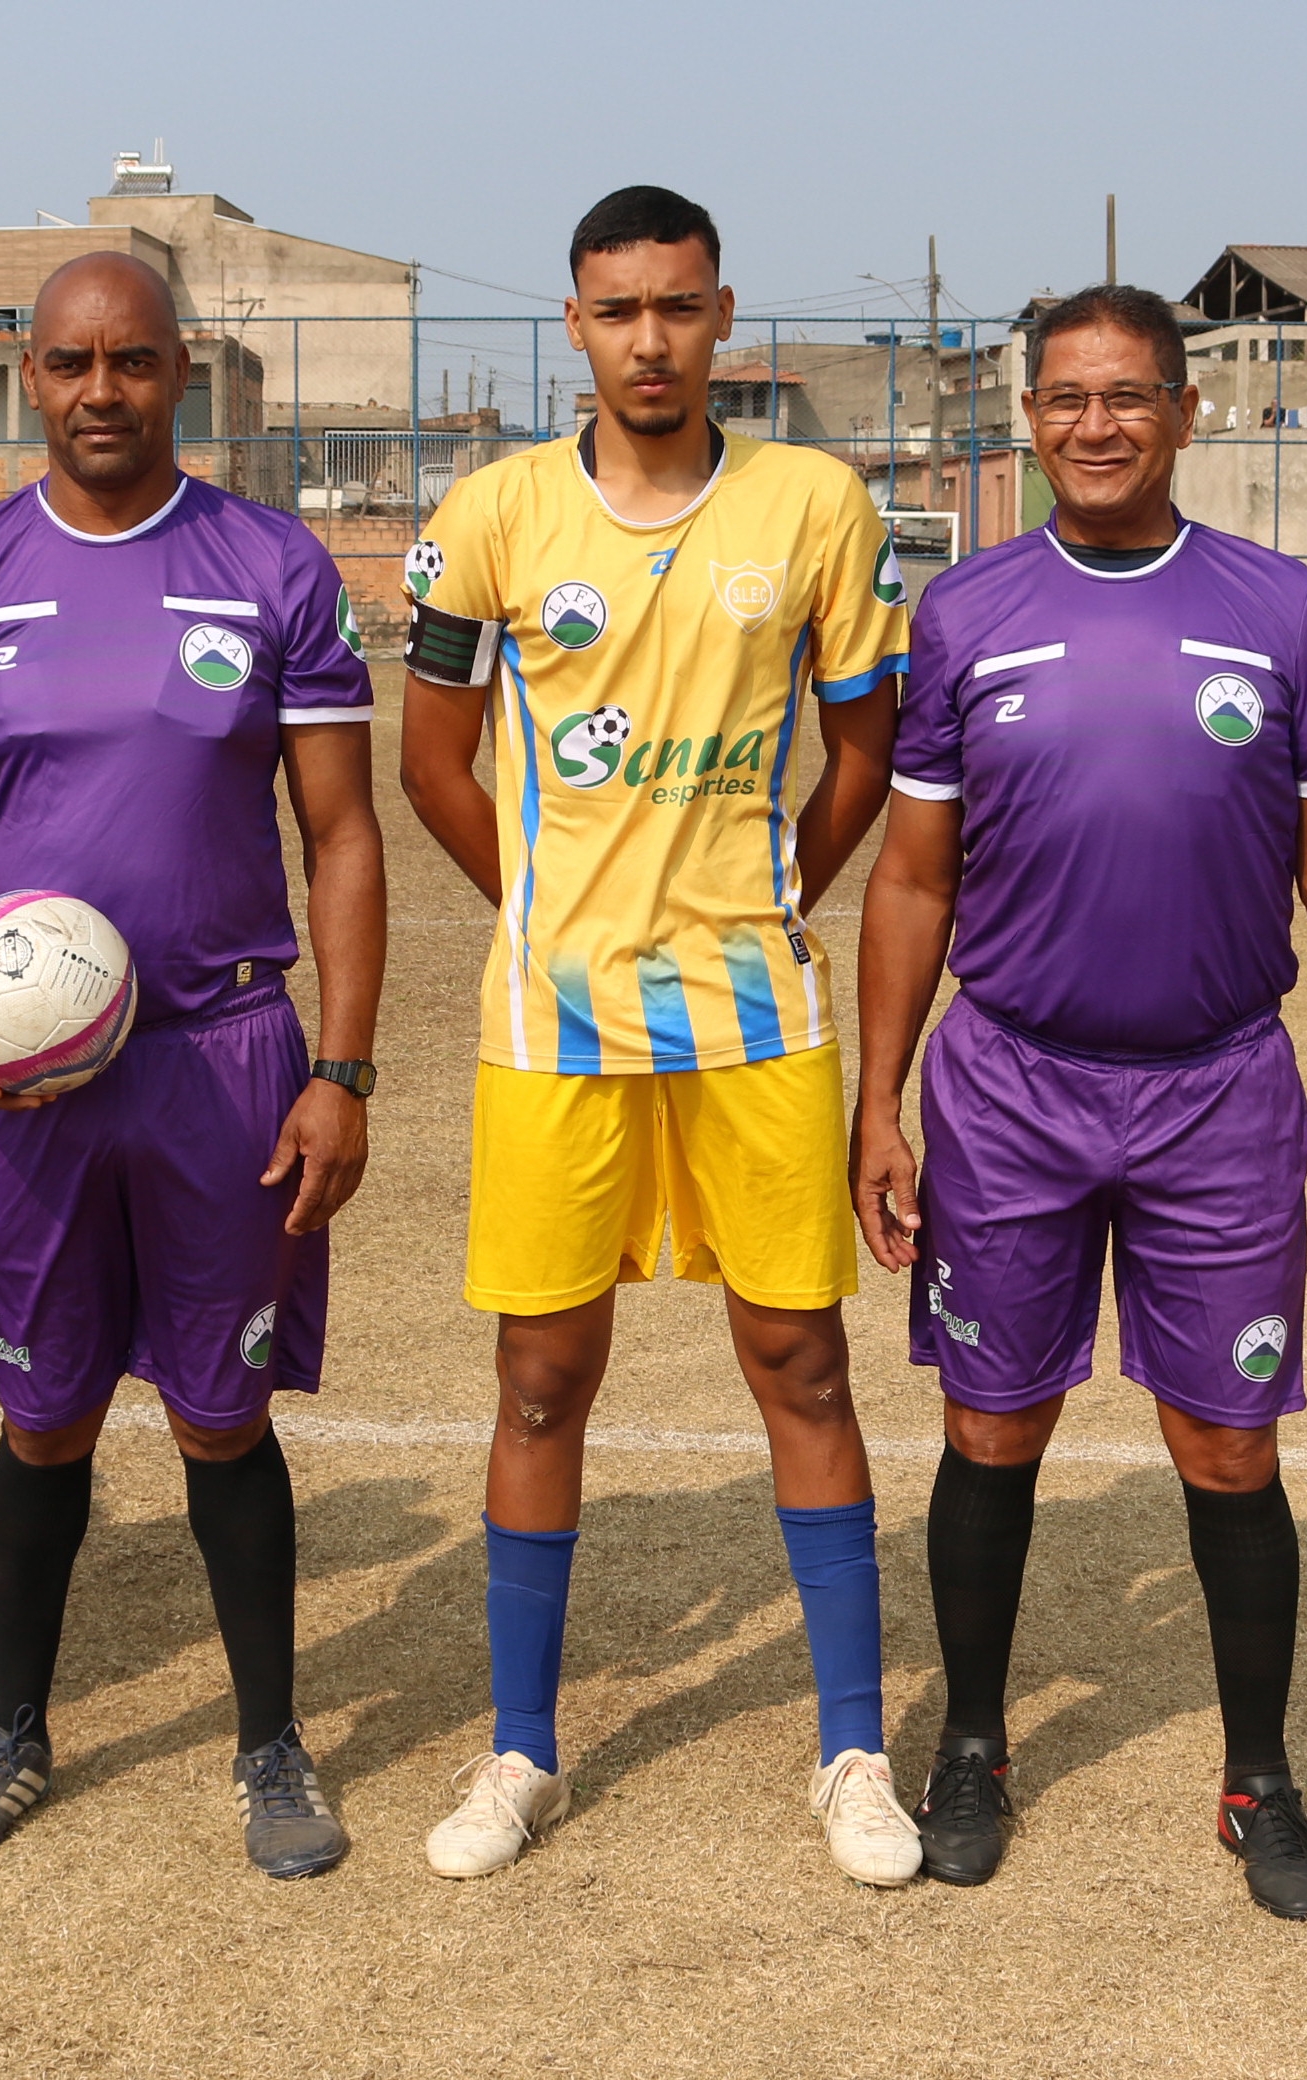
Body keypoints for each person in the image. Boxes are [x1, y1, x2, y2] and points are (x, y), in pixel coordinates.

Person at [853, 283, 1307, 1921]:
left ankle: (1261, 1781)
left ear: (1184, 412)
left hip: (1218, 1091)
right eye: (1065, 398)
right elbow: (912, 879)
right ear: (1028, 418)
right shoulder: (965, 612)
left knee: (1228, 1442)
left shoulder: (1273, 604)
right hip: (1010, 1087)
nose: (1094, 425)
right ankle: (975, 1748)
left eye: (1126, 397)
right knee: (991, 1425)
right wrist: (879, 1101)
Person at [397, 187, 920, 1885]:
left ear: (721, 318)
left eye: (678, 308)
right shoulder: (492, 514)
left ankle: (854, 1752)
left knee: (803, 1362)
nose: (649, 339)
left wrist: (774, 893)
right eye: (618, 310)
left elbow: (865, 750)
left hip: (757, 1013)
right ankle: (521, 1752)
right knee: (543, 1380)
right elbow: (431, 762)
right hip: (553, 1026)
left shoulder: (816, 504)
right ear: (575, 324)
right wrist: (540, 912)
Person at [0, 252, 387, 1880]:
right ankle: (13, 1732)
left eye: (136, 360)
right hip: (23, 1088)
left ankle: (270, 1744)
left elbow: (343, 834)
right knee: (44, 1417)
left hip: (223, 1059)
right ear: (31, 375)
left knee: (223, 1419)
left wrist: (344, 1070)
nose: (103, 390)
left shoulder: (271, 564)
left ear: (182, 372)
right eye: (72, 362)